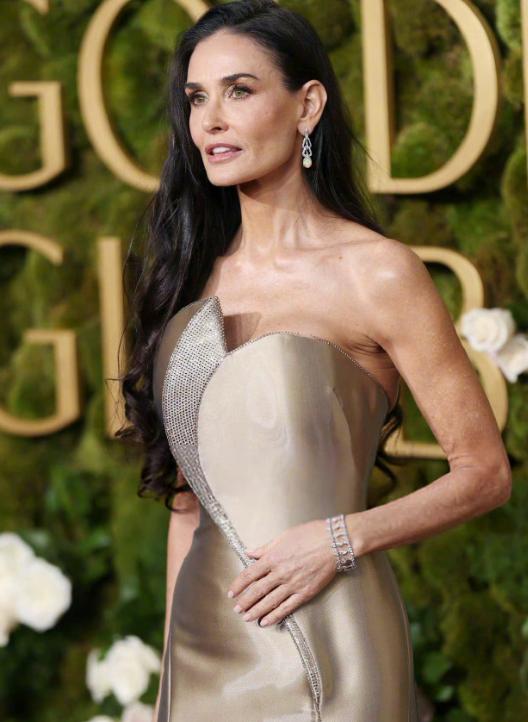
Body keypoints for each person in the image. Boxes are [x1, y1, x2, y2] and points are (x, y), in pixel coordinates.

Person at [117, 1, 512, 720]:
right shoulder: (189, 277)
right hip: (203, 649)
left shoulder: (377, 273)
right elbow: (187, 507)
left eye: (239, 91)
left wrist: (339, 540)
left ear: (307, 105)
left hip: (331, 635)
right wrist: (171, 678)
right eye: (196, 99)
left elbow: (484, 473)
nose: (210, 121)